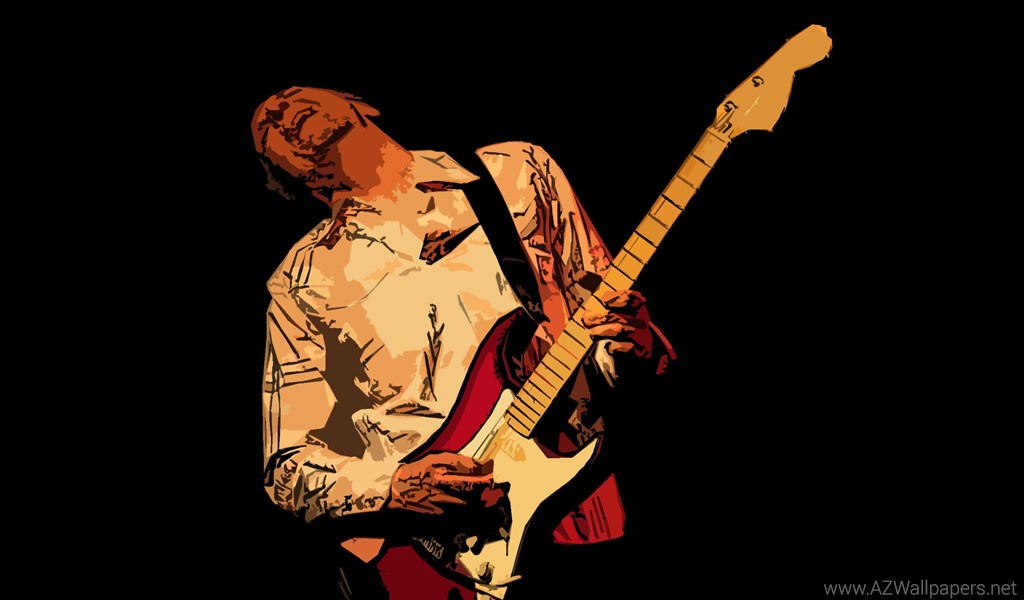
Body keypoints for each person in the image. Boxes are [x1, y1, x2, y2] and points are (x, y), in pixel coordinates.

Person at [254, 86, 674, 599]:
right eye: (265, 126)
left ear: (361, 103)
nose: (278, 109)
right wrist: (395, 488)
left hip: (577, 503)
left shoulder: (515, 172)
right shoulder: (300, 281)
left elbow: (601, 328)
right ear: (280, 177)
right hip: (428, 561)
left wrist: (633, 345)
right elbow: (286, 466)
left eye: (294, 97)